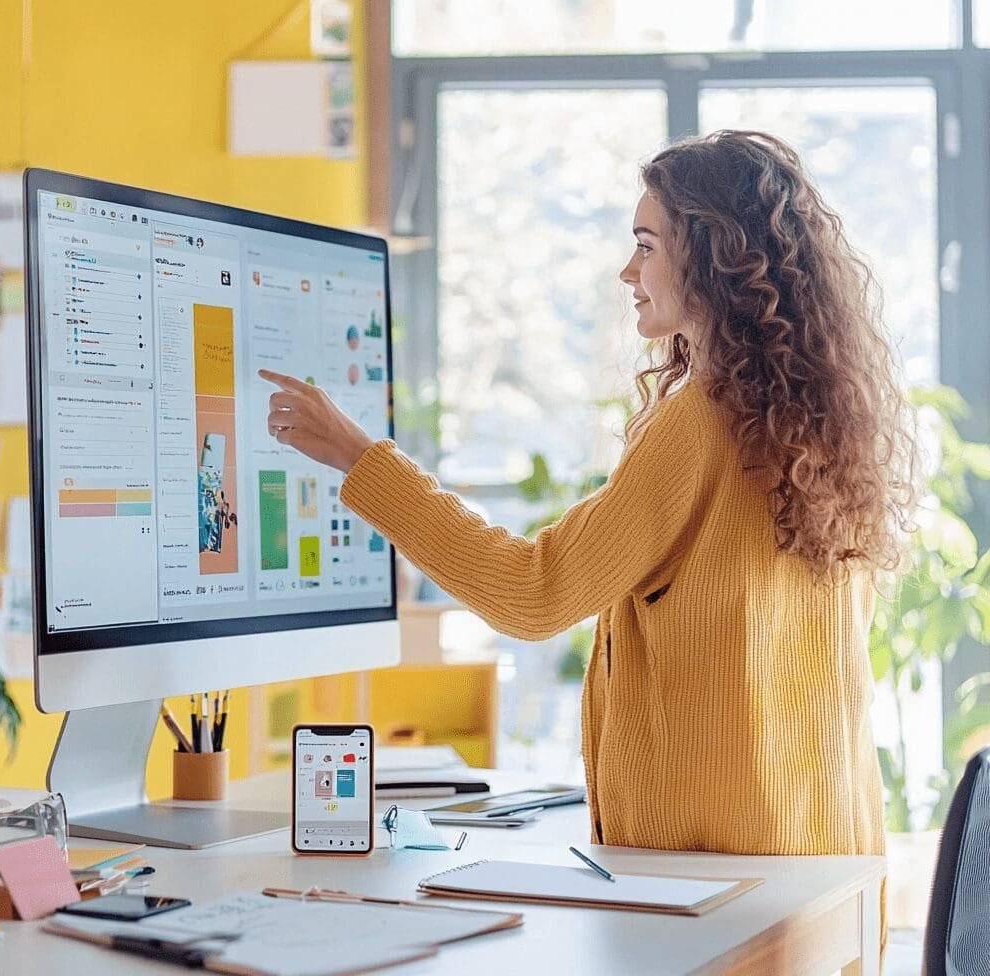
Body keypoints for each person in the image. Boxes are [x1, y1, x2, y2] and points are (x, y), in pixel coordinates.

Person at [260, 130, 917, 947]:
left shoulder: (702, 420)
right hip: (820, 880)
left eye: (646, 245)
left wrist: (361, 458)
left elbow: (534, 593)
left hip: (720, 897)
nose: (627, 271)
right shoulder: (808, 424)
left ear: (711, 257)